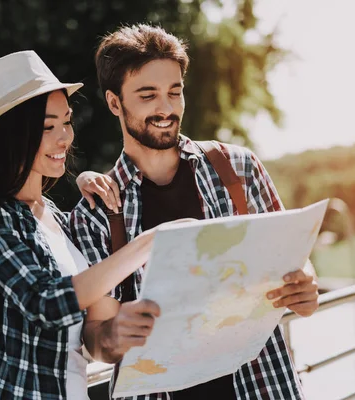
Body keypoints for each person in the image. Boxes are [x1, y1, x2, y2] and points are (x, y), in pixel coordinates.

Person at [70, 25, 319, 399]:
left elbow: (297, 263)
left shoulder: (240, 168)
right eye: (148, 95)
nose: (166, 108)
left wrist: (306, 288)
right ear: (114, 103)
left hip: (262, 385)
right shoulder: (94, 213)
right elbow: (97, 335)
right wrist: (111, 337)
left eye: (174, 91)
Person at [0, 50, 158, 400]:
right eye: (47, 127)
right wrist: (146, 245)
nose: (64, 137)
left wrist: (120, 331)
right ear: (11, 135)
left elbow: (95, 336)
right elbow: (45, 302)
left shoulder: (62, 221)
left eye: (66, 121)